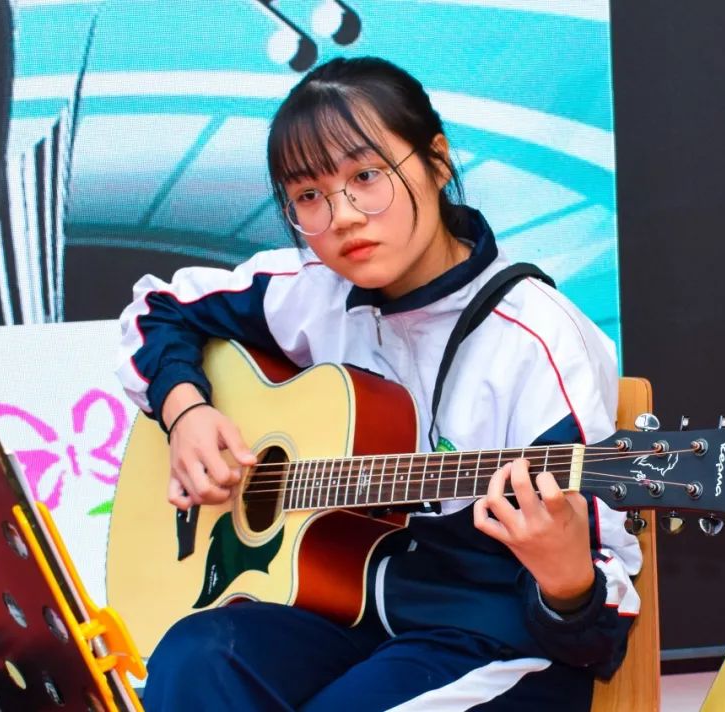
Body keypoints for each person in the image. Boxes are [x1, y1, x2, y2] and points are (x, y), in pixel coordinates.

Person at [115, 56, 641, 711]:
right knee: (198, 658)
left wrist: (568, 580)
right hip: (352, 610)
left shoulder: (537, 339)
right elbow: (156, 311)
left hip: (493, 642)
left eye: (366, 176)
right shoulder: (310, 291)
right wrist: (186, 411)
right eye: (309, 196)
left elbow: (605, 608)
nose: (342, 216)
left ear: (437, 161)